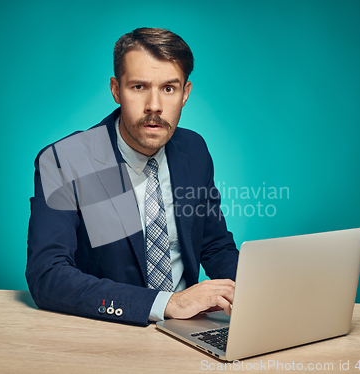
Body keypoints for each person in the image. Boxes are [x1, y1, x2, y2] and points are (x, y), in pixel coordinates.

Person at [26, 27, 239, 326]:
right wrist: (169, 303)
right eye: (139, 87)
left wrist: (259, 293)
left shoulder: (195, 150)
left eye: (169, 88)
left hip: (188, 331)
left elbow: (214, 246)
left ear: (185, 94)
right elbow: (48, 276)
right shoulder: (65, 161)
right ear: (116, 89)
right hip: (107, 331)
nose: (154, 105)